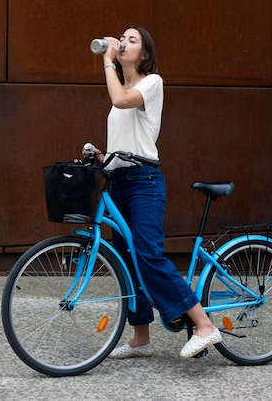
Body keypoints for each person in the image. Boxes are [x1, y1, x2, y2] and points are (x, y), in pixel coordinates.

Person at [92, 25, 222, 360]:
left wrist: (107, 61)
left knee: (149, 255)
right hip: (120, 180)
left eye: (131, 40)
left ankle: (205, 326)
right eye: (122, 38)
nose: (122, 42)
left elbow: (120, 101)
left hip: (144, 182)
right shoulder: (123, 85)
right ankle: (140, 335)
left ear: (145, 54)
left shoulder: (152, 82)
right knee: (125, 260)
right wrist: (103, 158)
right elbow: (127, 136)